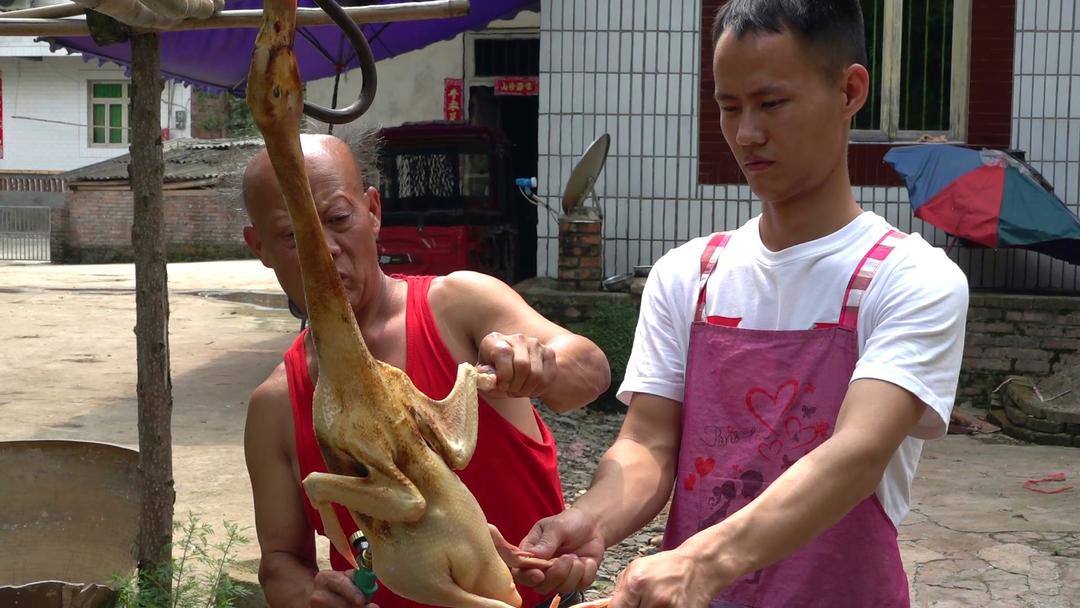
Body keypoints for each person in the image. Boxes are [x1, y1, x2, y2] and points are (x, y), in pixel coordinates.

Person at [512, 1, 969, 606]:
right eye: (730, 107)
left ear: (850, 90)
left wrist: (703, 563)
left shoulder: (911, 279)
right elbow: (649, 442)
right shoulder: (687, 276)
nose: (747, 133)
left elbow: (858, 453)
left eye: (771, 103)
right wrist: (592, 520)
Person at [240, 132, 611, 608]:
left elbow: (591, 368)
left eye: (337, 219)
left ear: (373, 211)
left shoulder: (460, 308)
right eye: (293, 236)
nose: (323, 250)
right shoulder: (275, 406)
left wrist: (541, 363)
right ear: (260, 247)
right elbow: (280, 560)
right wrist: (306, 593)